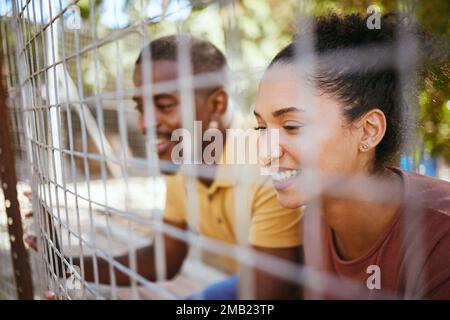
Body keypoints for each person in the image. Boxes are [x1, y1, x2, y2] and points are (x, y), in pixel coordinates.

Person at [28, 35, 304, 300]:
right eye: (141, 107)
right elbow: (165, 257)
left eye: (164, 105)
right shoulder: (183, 156)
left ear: (217, 104)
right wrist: (64, 262)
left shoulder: (266, 162)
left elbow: (271, 293)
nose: (146, 124)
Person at [253, 13, 450, 299]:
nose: (264, 151)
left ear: (368, 131)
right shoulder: (314, 221)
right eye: (261, 127)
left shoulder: (440, 241)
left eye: (292, 126)